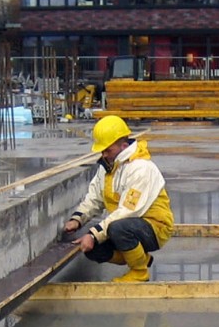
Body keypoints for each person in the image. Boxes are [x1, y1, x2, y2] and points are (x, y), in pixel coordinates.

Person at [63, 115, 174, 282]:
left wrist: (93, 234)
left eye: (108, 150)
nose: (104, 154)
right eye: (102, 150)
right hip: (124, 225)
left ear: (123, 145)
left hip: (155, 227)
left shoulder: (141, 168)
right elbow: (94, 198)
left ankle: (139, 271)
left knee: (117, 228)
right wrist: (77, 219)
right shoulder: (108, 167)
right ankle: (141, 258)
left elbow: (128, 211)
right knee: (93, 249)